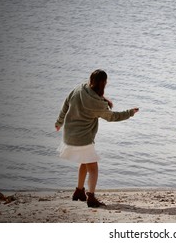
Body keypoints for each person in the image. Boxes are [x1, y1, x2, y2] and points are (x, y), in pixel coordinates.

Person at [55, 69, 139, 208]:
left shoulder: (79, 88)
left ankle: (79, 191)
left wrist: (59, 122)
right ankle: (91, 198)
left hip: (69, 134)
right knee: (93, 168)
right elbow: (112, 117)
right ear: (104, 83)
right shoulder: (97, 104)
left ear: (90, 79)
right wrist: (130, 112)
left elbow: (65, 103)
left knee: (84, 162)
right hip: (83, 139)